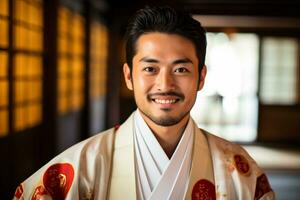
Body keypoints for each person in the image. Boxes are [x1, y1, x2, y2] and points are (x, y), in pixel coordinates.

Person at [13, 6, 275, 200]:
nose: (165, 84)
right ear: (128, 76)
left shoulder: (239, 171)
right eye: (150, 69)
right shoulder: (81, 168)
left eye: (181, 70)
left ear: (201, 77)